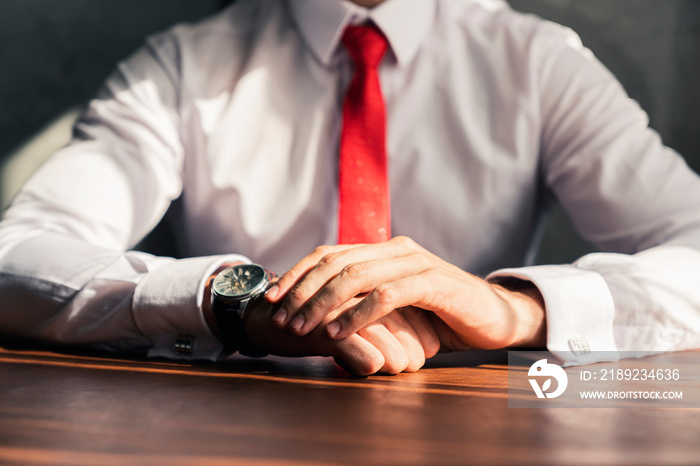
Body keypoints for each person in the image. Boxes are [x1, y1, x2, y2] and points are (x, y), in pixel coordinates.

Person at [1, 0, 700, 375]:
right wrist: (232, 303)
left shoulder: (539, 65)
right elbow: (16, 256)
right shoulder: (181, 66)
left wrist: (516, 309)